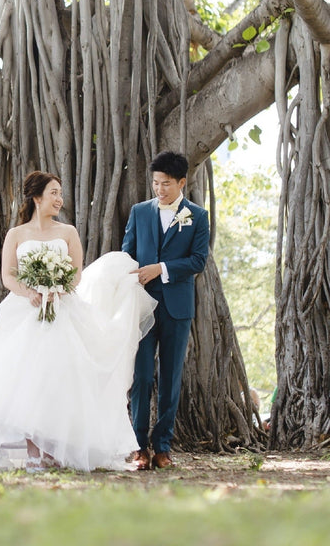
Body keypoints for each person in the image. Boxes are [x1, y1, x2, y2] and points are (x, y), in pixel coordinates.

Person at [0, 171, 157, 473]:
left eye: (60, 193)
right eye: (54, 193)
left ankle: (55, 447)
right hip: (25, 311)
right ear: (37, 197)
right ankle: (32, 449)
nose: (59, 199)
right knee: (25, 377)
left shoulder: (68, 232)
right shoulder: (16, 235)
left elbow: (76, 272)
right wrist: (29, 292)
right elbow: (8, 275)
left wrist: (58, 288)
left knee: (61, 378)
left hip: (63, 310)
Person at [122, 151, 210, 470]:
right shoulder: (139, 212)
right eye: (156, 183)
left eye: (167, 184)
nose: (160, 189)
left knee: (170, 377)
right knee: (142, 376)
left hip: (177, 308)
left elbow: (198, 261)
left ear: (182, 182)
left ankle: (162, 447)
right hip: (143, 306)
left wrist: (161, 268)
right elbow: (127, 254)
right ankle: (138, 447)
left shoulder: (197, 216)